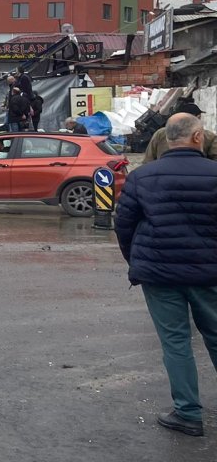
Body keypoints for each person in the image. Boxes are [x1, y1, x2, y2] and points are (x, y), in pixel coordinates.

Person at [115, 113, 217, 437]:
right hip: (209, 273)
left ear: (166, 139)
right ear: (198, 137)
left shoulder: (143, 177)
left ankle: (188, 413)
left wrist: (139, 260)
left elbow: (124, 224)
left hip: (159, 275)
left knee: (176, 342)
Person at [142, 103, 217, 163]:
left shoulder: (160, 133)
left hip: (163, 176)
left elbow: (148, 159)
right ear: (198, 117)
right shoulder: (208, 136)